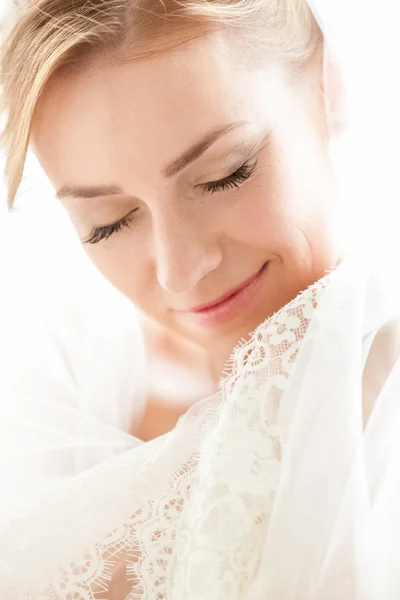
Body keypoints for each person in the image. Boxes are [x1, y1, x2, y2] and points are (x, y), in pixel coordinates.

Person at [1, 0, 400, 598]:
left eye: (226, 174)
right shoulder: (63, 418)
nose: (180, 272)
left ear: (326, 87)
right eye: (108, 223)